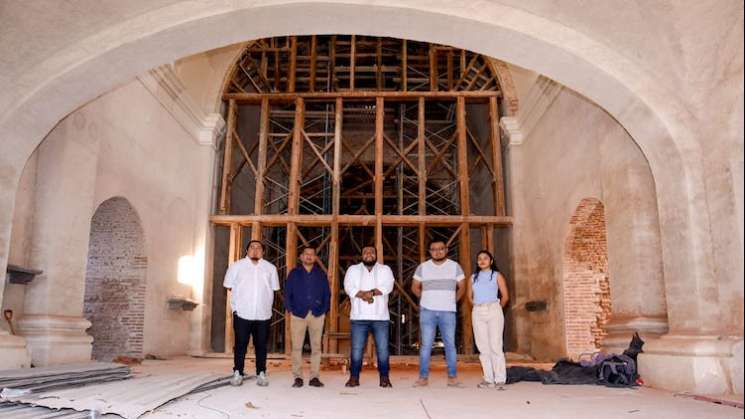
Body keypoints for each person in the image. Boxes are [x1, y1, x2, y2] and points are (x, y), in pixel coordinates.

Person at [223, 240, 280, 387]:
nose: (255, 250)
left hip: (263, 314)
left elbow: (274, 288)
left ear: (263, 252)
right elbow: (229, 286)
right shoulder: (236, 267)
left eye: (259, 248)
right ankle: (238, 373)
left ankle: (261, 372)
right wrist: (238, 305)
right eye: (252, 247)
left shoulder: (270, 268)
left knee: (261, 345)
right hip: (242, 312)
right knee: (240, 344)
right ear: (247, 250)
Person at [411, 240, 465, 387]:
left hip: (448, 311)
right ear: (430, 252)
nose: (438, 252)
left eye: (441, 249)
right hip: (427, 311)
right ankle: (423, 378)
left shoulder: (455, 267)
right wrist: (426, 298)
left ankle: (452, 377)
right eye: (434, 249)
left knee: (450, 345)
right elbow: (415, 287)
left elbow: (462, 287)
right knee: (426, 345)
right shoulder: (423, 267)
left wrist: (453, 301)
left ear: (446, 250)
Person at [343, 246, 395, 388]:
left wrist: (370, 293)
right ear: (362, 255)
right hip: (359, 317)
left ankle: (384, 378)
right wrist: (363, 295)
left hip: (381, 317)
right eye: (366, 252)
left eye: (372, 252)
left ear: (376, 254)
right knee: (357, 349)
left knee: (383, 350)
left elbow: (388, 287)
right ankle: (354, 378)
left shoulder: (385, 270)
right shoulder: (353, 270)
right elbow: (348, 287)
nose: (369, 254)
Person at [284, 247, 331, 388]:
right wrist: (291, 310)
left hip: (317, 314)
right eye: (306, 254)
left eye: (312, 254)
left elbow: (326, 294)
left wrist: (323, 310)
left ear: (315, 258)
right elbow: (287, 293)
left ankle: (314, 378)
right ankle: (297, 377)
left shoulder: (320, 274)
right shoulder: (294, 273)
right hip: (298, 315)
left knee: (316, 347)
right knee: (297, 347)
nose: (309, 256)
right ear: (301, 257)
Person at [469, 250, 510, 389]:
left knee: (496, 345)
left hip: (493, 309)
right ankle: (488, 379)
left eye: (485, 258)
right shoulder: (473, 277)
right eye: (479, 258)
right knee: (482, 346)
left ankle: (500, 379)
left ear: (491, 261)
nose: (482, 261)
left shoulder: (497, 275)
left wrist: (497, 308)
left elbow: (505, 296)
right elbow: (470, 297)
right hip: (478, 311)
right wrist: (477, 306)